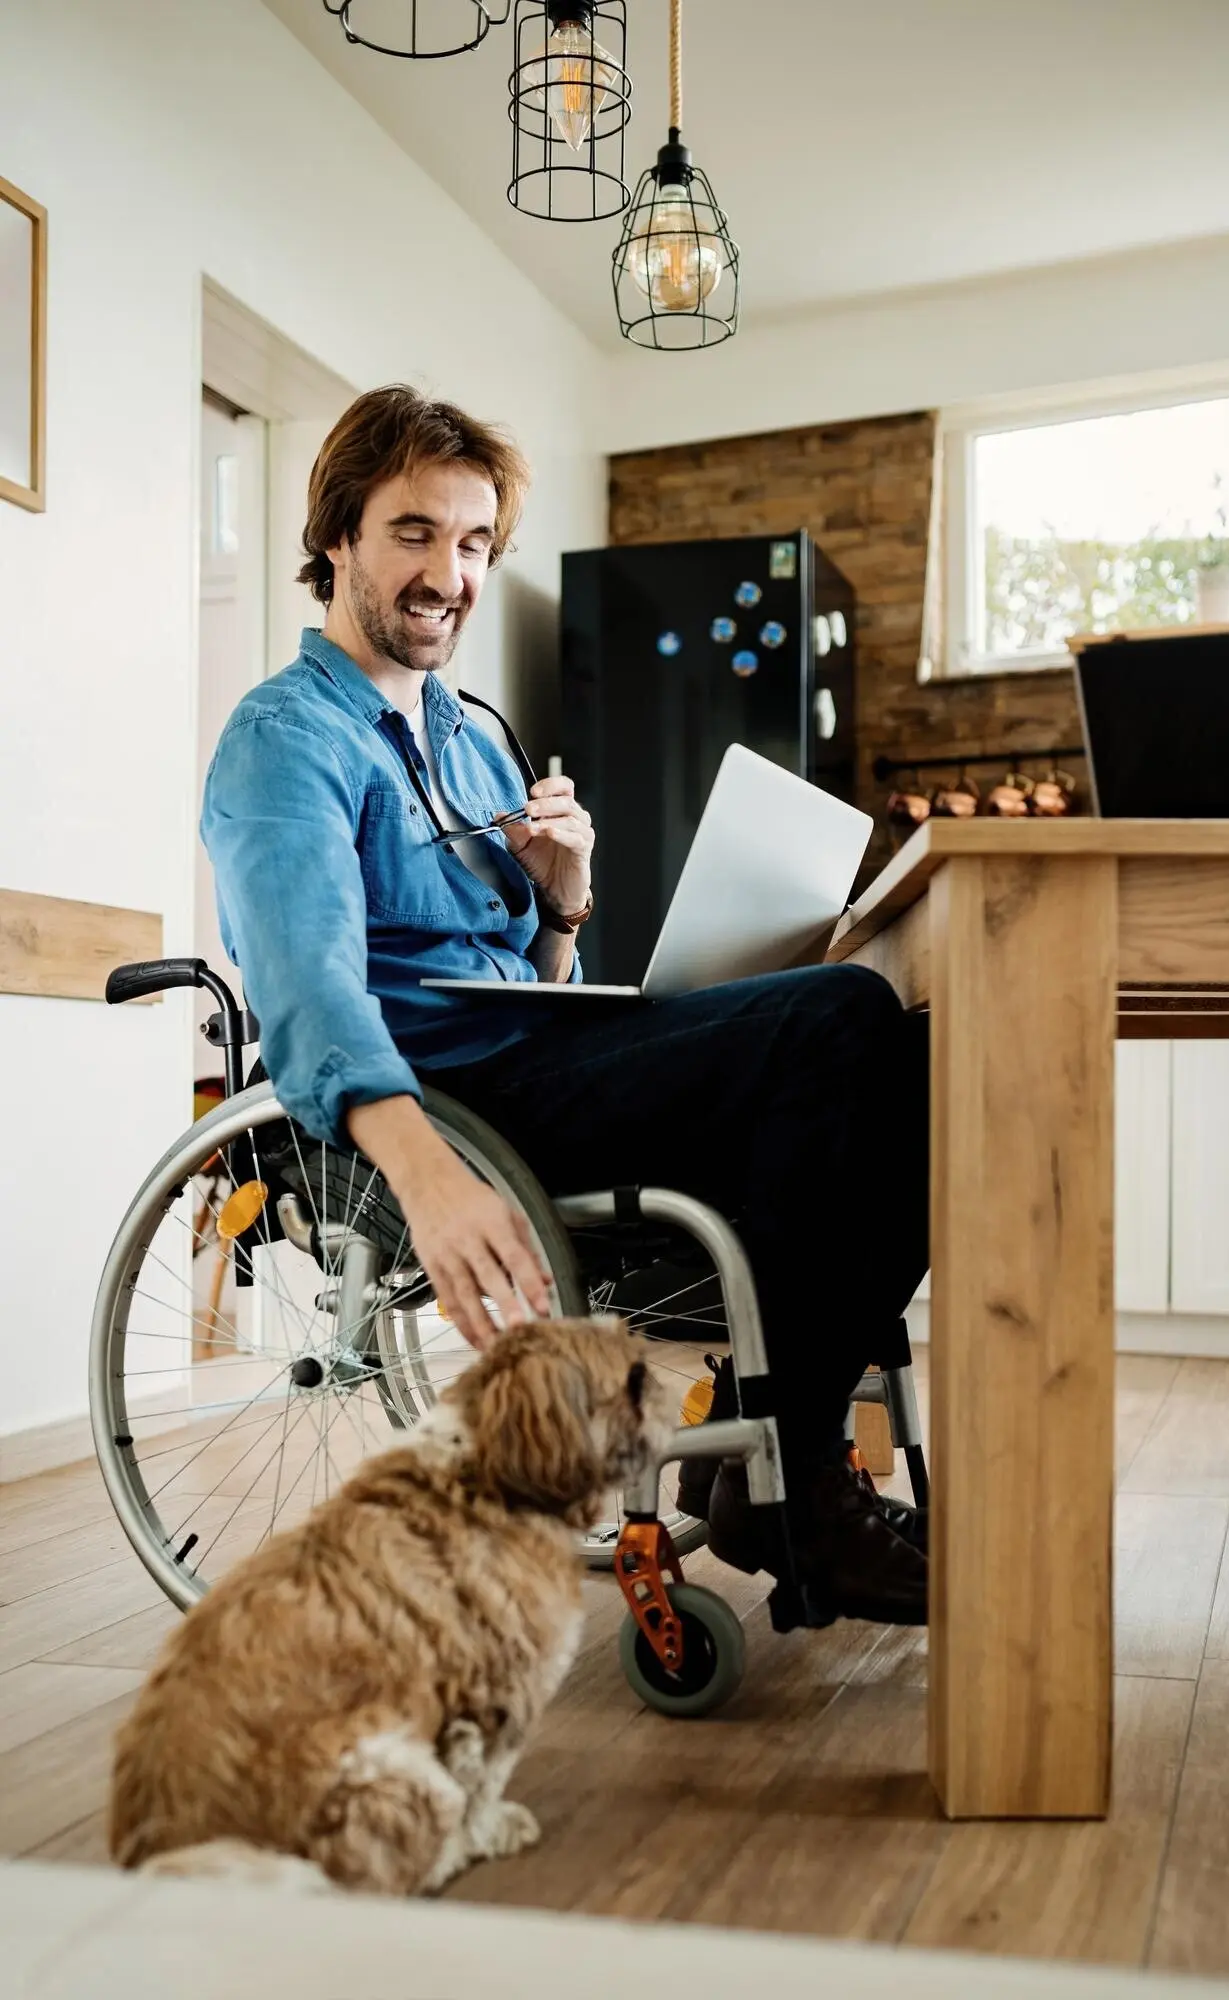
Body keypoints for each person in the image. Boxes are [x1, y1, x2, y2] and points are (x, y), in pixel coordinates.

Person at [202, 385, 930, 1625]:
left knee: (906, 1061)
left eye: (475, 542)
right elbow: (311, 990)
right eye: (415, 533)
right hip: (443, 1099)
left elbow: (530, 985)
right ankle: (793, 1473)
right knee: (843, 1019)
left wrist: (564, 900)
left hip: (530, 1059)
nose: (451, 573)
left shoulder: (474, 735)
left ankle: (781, 1451)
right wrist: (430, 1177)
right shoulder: (284, 738)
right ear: (337, 538)